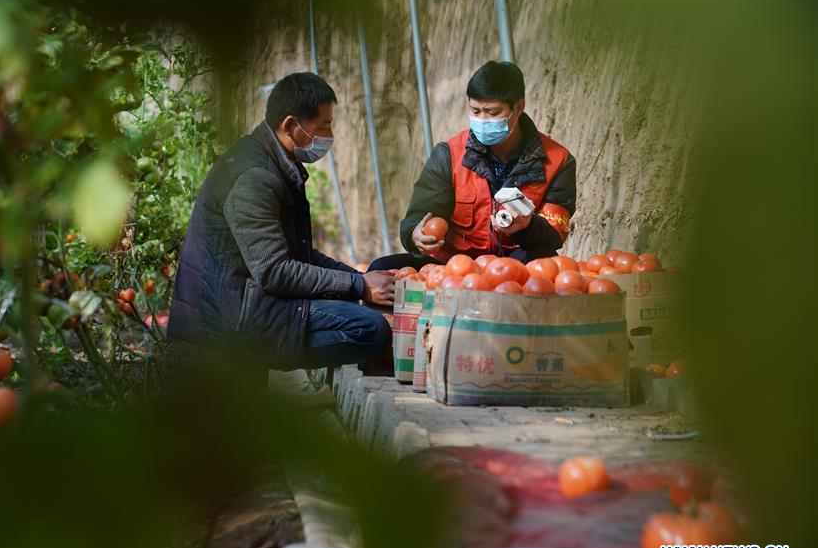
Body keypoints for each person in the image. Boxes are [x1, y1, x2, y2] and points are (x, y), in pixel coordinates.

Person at [168, 72, 394, 370]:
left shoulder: (275, 163)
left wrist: (357, 279)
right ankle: (254, 358)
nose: (330, 136)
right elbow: (274, 271)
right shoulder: (255, 178)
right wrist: (357, 285)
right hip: (231, 320)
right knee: (370, 329)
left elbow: (298, 254)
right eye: (324, 125)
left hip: (250, 301)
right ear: (290, 125)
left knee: (357, 306)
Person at [370, 61, 576, 271]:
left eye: (492, 112)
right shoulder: (449, 155)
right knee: (382, 267)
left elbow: (555, 233)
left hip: (513, 265)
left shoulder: (558, 160)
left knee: (544, 261)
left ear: (519, 107)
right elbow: (420, 213)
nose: (483, 120)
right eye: (476, 111)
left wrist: (528, 226)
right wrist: (415, 233)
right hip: (452, 264)